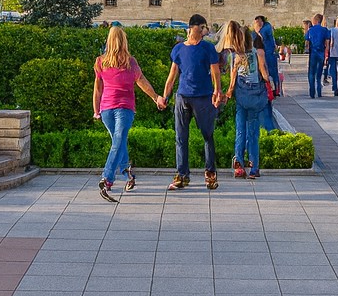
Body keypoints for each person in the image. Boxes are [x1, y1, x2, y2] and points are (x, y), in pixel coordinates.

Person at [93, 25, 165, 201]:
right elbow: (141, 82)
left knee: (117, 141)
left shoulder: (120, 62)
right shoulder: (109, 62)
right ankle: (127, 174)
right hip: (112, 109)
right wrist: (155, 97)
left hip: (116, 108)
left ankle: (107, 178)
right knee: (118, 142)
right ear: (124, 41)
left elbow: (98, 89)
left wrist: (155, 97)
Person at [161, 13, 224, 190]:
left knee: (207, 135)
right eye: (203, 27)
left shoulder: (208, 48)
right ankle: (182, 175)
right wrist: (165, 96)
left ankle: (210, 173)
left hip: (203, 96)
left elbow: (215, 72)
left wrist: (217, 91)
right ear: (193, 28)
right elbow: (172, 75)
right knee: (181, 137)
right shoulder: (179, 49)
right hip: (183, 97)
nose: (205, 31)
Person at [221, 20, 275, 180]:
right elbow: (264, 74)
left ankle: (239, 165)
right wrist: (271, 82)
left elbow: (232, 79)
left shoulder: (235, 56)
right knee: (253, 132)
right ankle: (254, 167)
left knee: (240, 131)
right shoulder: (257, 53)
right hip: (256, 97)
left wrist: (228, 93)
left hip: (241, 97)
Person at [304, 14, 329, 99]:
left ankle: (312, 91)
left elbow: (307, 41)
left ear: (316, 20)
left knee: (311, 73)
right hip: (321, 52)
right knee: (319, 73)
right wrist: (326, 53)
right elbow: (327, 43)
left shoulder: (310, 30)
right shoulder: (324, 30)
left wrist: (307, 49)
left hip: (313, 53)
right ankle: (319, 91)